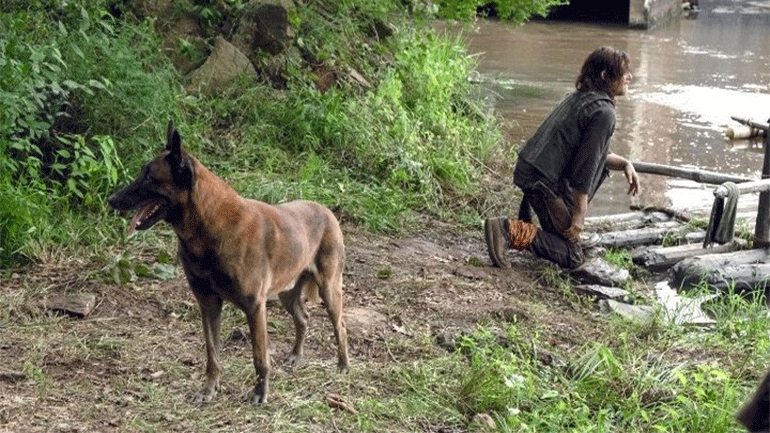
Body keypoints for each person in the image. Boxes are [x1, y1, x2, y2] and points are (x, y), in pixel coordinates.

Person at [485, 46, 640, 269]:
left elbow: (593, 153)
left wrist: (625, 163)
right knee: (572, 256)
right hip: (543, 181)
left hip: (533, 171)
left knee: (565, 241)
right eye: (624, 71)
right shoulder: (604, 112)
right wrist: (579, 215)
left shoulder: (583, 98)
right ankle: (507, 231)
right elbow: (584, 169)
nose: (629, 77)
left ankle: (525, 234)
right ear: (606, 76)